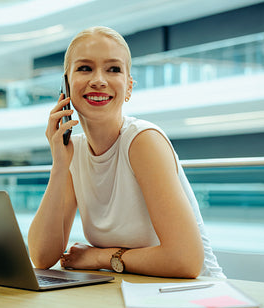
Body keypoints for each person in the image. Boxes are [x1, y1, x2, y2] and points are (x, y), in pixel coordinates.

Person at [27, 26, 225, 278]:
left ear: (129, 87)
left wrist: (100, 256)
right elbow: (42, 256)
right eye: (85, 68)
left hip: (196, 296)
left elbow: (185, 261)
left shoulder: (143, 140)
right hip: (133, 292)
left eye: (113, 69)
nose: (98, 80)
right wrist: (59, 166)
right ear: (65, 85)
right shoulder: (73, 151)